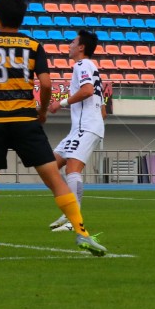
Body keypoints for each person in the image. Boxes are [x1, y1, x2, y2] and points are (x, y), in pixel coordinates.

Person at [0, 0, 107, 259]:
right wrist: (41, 111)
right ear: (21, 19)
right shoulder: (33, 45)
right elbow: (47, 84)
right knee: (55, 180)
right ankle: (82, 233)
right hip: (26, 121)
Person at [47, 29, 106, 232]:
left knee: (72, 169)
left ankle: (74, 219)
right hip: (82, 128)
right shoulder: (92, 68)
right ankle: (69, 209)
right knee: (50, 167)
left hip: (86, 127)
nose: (69, 45)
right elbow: (102, 109)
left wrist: (60, 103)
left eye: (73, 42)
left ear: (81, 47)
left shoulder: (82, 65)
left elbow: (87, 91)